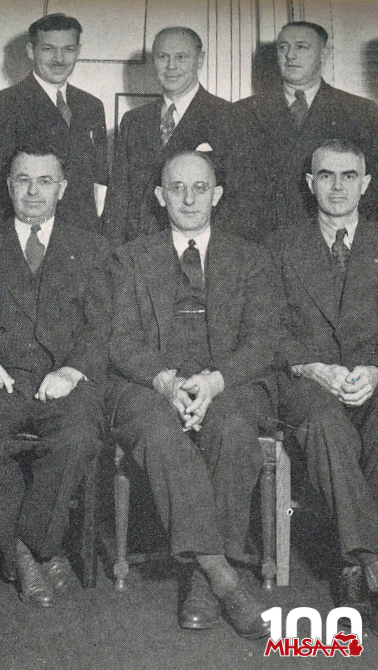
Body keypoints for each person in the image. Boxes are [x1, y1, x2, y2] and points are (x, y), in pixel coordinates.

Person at [107, 151, 282, 639]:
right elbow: (119, 339)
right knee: (161, 435)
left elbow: (264, 340)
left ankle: (200, 583)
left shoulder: (250, 258)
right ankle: (222, 578)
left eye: (199, 188)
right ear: (160, 197)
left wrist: (214, 382)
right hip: (149, 384)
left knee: (230, 429)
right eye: (176, 189)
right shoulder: (130, 258)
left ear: (217, 195)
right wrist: (163, 380)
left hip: (228, 381)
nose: (188, 198)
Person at [0, 146, 110, 607]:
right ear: (8, 187)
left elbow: (102, 327)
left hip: (63, 382)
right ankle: (40, 551)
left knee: (80, 437)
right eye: (22, 180)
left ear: (62, 188)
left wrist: (73, 369)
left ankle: (25, 548)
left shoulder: (92, 249)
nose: (33, 190)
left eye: (45, 180)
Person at [271, 139, 378, 629]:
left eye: (349, 176)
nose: (338, 187)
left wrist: (374, 371)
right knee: (324, 422)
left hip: (372, 378)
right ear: (310, 183)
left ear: (366, 184)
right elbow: (264, 327)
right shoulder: (280, 245)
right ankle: (363, 562)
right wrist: (314, 368)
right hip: (307, 382)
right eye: (327, 176)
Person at [215, 21, 378, 242]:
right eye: (283, 47)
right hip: (259, 243)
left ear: (324, 53)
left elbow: (371, 191)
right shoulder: (241, 113)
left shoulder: (361, 112)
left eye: (301, 47)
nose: (290, 55)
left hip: (327, 243)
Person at [0, 13, 107, 233]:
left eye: (68, 49)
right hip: (27, 234)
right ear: (30, 51)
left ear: (78, 51)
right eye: (48, 49)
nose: (59, 58)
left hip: (82, 236)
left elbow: (100, 182)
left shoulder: (92, 106)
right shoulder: (1, 105)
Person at [104, 27, 230, 243]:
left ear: (200, 60)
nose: (171, 66)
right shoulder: (133, 120)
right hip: (138, 251)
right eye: (163, 57)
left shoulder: (228, 116)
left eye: (181, 57)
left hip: (194, 249)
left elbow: (233, 201)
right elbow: (118, 198)